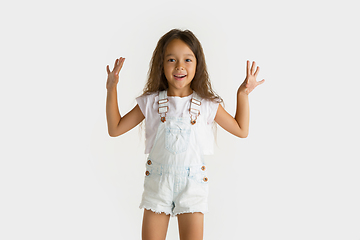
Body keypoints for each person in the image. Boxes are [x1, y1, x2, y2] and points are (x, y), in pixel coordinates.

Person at [105, 29, 264, 240]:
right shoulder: (151, 102)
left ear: (198, 64)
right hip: (158, 187)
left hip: (192, 187)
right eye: (171, 59)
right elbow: (115, 128)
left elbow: (241, 130)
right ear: (161, 65)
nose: (179, 66)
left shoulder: (206, 104)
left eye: (187, 59)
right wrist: (111, 89)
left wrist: (242, 94)